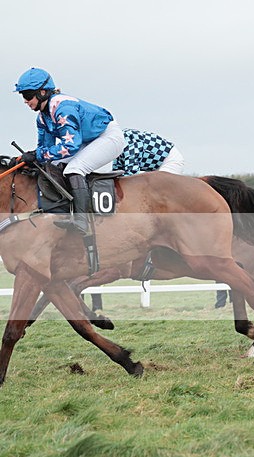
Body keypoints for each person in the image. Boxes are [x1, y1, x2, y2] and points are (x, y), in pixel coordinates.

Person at [13, 67, 125, 236]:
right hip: (87, 140)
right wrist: (27, 158)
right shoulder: (43, 117)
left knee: (75, 168)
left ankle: (82, 220)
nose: (25, 101)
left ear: (42, 92)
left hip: (108, 137)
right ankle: (63, 212)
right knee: (51, 165)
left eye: (27, 95)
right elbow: (45, 151)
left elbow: (70, 146)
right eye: (23, 96)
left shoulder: (62, 108)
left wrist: (38, 154)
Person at [89, 128, 186, 311]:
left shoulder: (126, 143)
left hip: (169, 162)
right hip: (149, 168)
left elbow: (132, 182)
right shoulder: (111, 147)